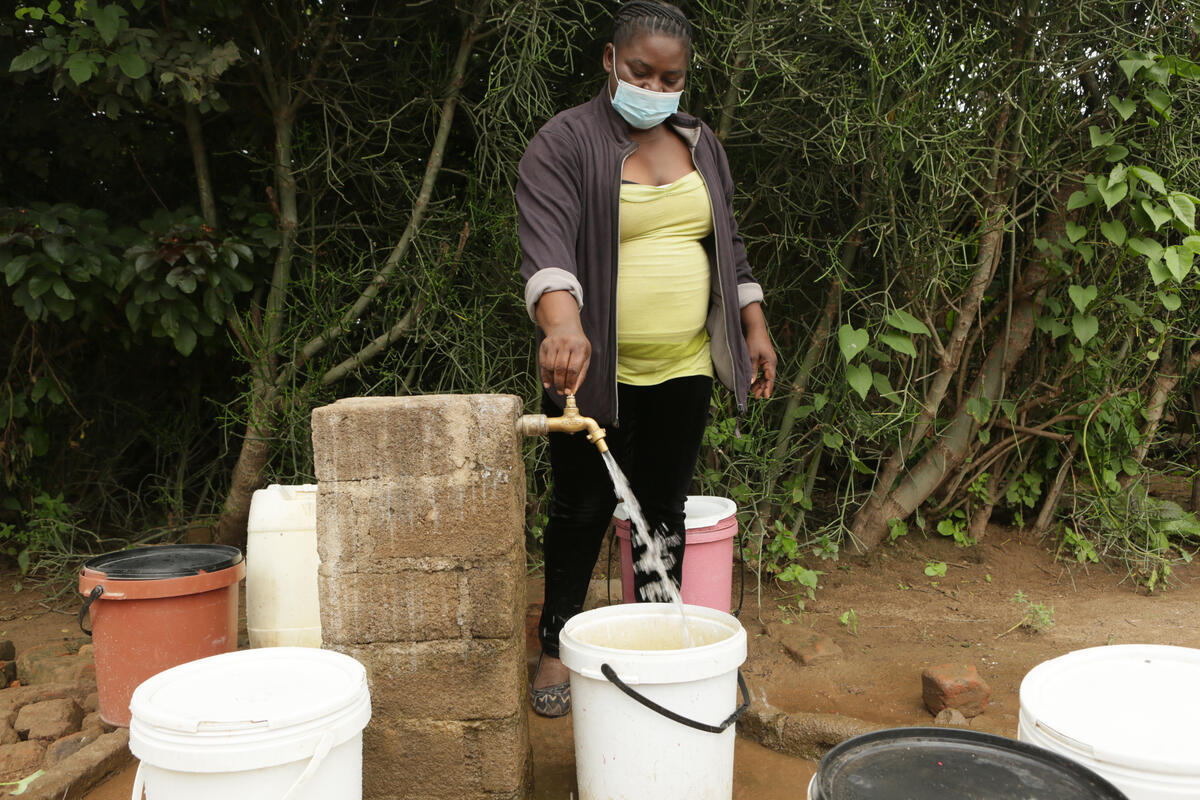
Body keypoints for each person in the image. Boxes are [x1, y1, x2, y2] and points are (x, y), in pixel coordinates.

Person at [516, 0, 776, 718]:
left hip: (685, 366)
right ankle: (556, 646)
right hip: (592, 373)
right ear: (609, 61)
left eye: (671, 79)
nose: (656, 90)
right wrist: (563, 325)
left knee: (663, 510)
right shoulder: (565, 143)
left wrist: (753, 322)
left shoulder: (700, 143)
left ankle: (654, 646)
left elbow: (728, 244)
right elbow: (546, 246)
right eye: (641, 73)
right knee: (580, 511)